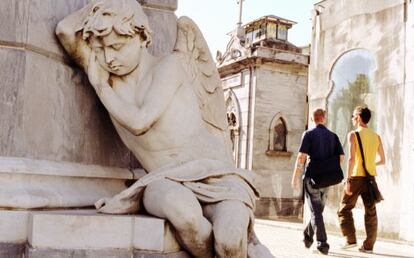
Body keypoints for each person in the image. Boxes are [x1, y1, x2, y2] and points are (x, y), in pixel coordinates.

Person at [55, 1, 269, 258]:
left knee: (230, 241)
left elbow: (139, 121)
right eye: (100, 50)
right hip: (162, 181)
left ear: (142, 36)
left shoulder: (169, 66)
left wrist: (100, 86)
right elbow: (65, 30)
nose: (108, 58)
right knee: (186, 216)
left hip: (216, 175)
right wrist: (107, 10)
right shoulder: (109, 79)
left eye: (116, 46)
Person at [291, 108, 344, 255]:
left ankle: (323, 243)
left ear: (312, 118)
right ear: (324, 118)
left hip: (312, 178)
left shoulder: (309, 134)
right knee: (318, 211)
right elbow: (341, 158)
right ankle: (308, 236)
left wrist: (295, 176)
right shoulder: (333, 136)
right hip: (327, 180)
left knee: (316, 211)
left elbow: (301, 157)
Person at [337, 106, 385, 253]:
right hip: (370, 179)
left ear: (358, 117)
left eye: (353, 116)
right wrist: (370, 164)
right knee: (371, 212)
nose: (352, 119)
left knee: (344, 209)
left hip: (356, 177)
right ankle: (368, 246)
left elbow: (351, 159)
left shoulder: (353, 134)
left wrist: (348, 178)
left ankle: (350, 239)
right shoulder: (376, 136)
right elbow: (382, 160)